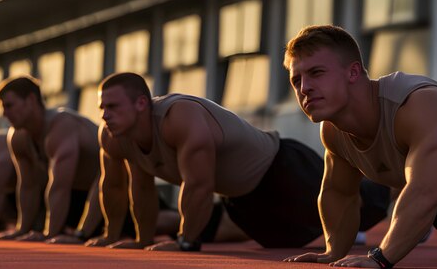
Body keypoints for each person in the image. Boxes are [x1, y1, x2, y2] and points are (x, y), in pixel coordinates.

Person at [283, 25, 437, 267]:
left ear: (353, 72)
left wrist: (380, 258)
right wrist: (333, 251)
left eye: (316, 73)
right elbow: (340, 193)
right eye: (296, 80)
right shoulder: (332, 132)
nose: (304, 88)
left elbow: (425, 191)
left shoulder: (417, 103)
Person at [94, 72, 389, 251]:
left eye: (112, 106)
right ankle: (349, 231)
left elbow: (198, 185)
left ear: (141, 103)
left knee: (365, 204)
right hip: (242, 199)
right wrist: (135, 238)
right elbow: (130, 189)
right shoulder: (113, 137)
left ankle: (403, 197)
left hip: (282, 170)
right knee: (289, 243)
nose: (105, 114)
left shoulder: (179, 117)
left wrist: (186, 241)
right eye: (102, 107)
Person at [0, 76, 103, 244]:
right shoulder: (18, 136)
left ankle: (82, 232)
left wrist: (50, 235)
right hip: (78, 198)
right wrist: (22, 230)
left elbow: (60, 186)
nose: (4, 113)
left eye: (9, 106)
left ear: (31, 100)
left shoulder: (61, 125)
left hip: (115, 193)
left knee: (153, 222)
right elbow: (28, 186)